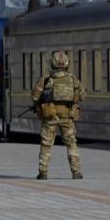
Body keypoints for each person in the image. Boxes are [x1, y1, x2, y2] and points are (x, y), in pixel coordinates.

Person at [32, 50, 85, 179]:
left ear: (52, 64)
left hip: (50, 117)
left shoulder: (45, 79)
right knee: (71, 143)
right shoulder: (73, 80)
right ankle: (76, 172)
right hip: (67, 117)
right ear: (67, 64)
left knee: (46, 144)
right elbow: (82, 96)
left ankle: (43, 172)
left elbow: (35, 96)